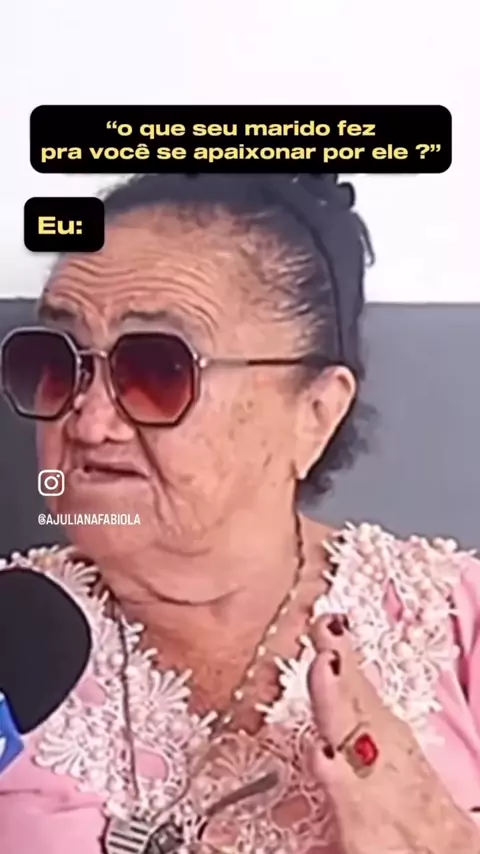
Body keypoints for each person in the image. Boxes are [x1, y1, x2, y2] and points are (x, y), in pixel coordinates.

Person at [0, 173, 479, 854]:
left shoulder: (457, 621)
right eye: (56, 361)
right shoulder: (11, 637)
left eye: (158, 369)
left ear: (315, 412)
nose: (88, 422)